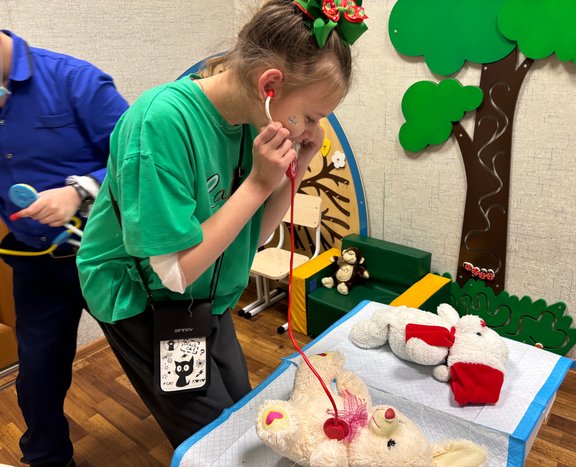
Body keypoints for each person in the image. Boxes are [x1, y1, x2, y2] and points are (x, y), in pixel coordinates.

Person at [76, 0, 368, 448]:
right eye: (310, 117)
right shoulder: (161, 122)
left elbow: (255, 234)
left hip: (206, 292)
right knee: (211, 436)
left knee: (243, 411)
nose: (312, 128)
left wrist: (299, 162)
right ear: (269, 85)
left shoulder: (253, 119)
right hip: (141, 295)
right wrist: (258, 182)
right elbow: (175, 271)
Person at [0, 30, 128, 466]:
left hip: (108, 256)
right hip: (35, 265)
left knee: (154, 360)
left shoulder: (76, 80)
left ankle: (199, 447)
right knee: (37, 378)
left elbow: (143, 156)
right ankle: (47, 459)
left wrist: (80, 191)